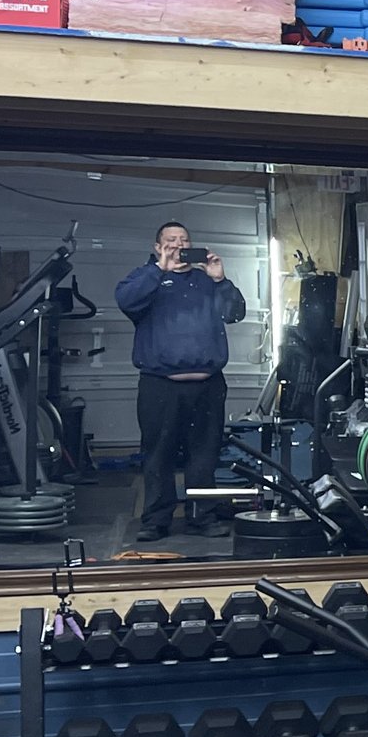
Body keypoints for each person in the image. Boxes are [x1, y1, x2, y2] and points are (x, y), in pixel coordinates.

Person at [117, 222, 246, 542]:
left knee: (204, 453)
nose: (178, 245)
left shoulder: (206, 281)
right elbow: (126, 301)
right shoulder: (145, 278)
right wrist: (160, 269)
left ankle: (203, 516)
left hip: (207, 386)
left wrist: (221, 279)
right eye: (170, 241)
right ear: (157, 246)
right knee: (158, 454)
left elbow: (235, 313)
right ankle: (156, 520)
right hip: (160, 385)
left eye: (184, 240)